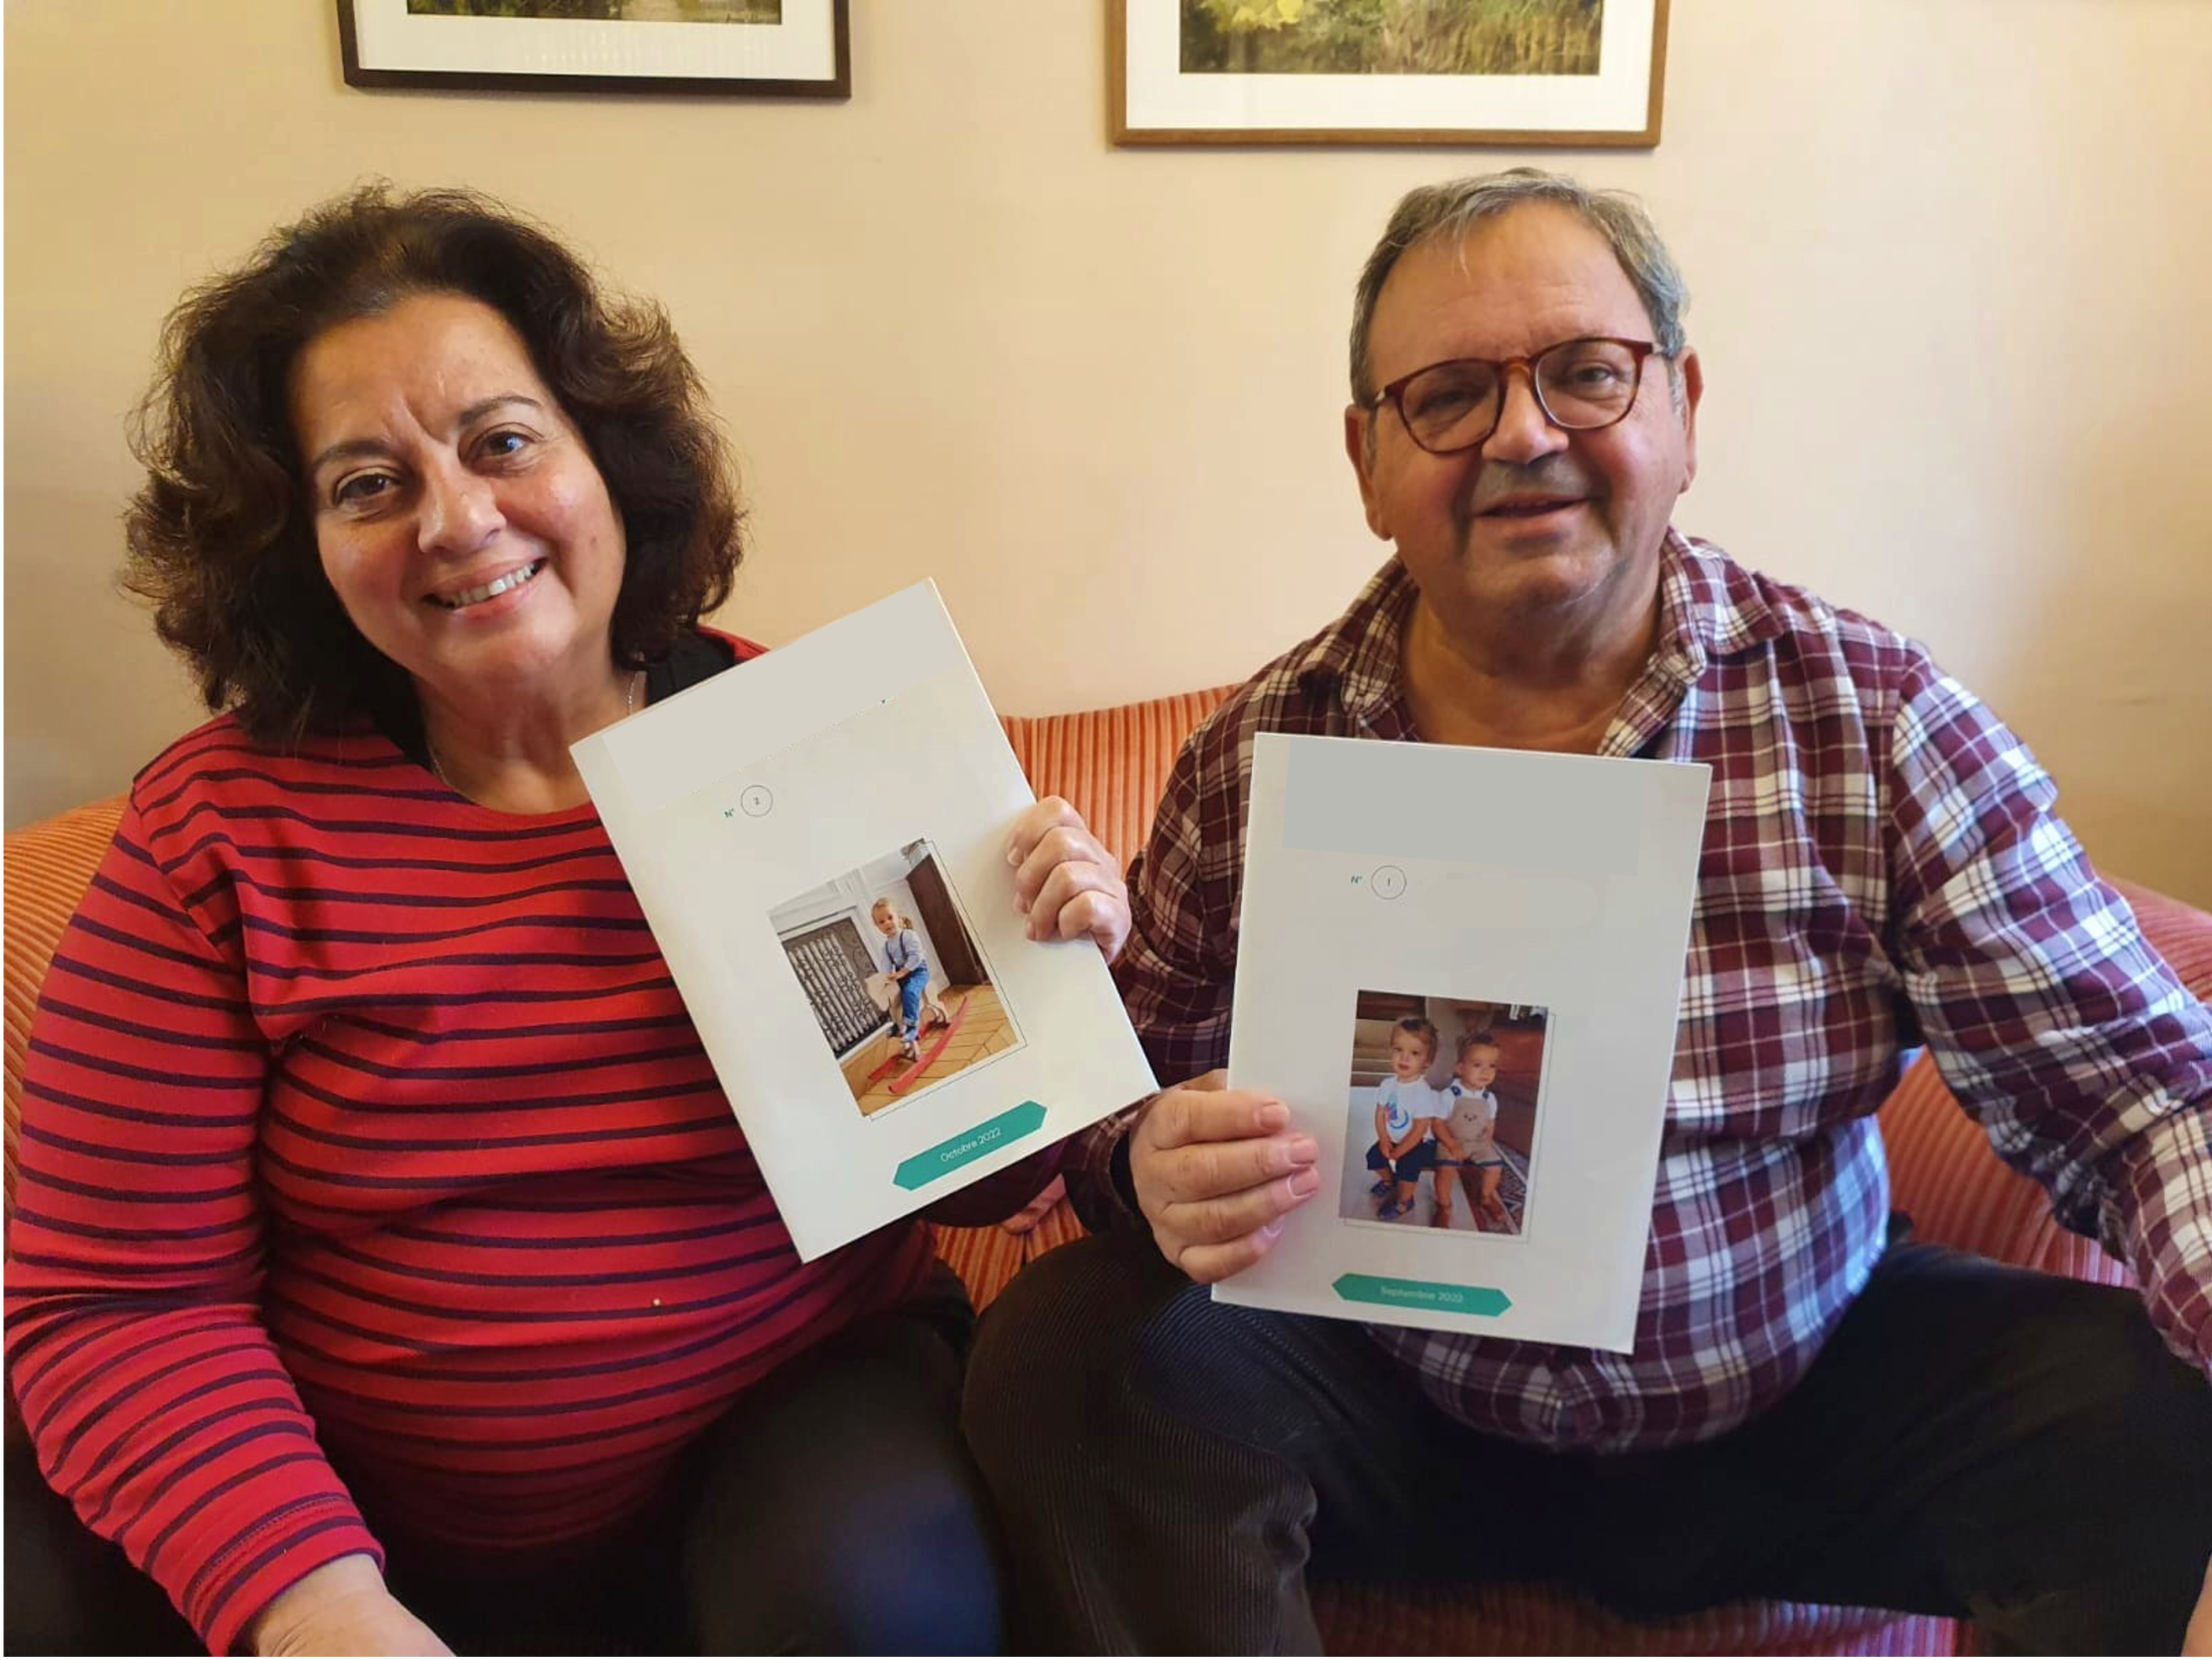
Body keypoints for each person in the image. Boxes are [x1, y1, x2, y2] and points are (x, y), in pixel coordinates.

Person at [962, 168, 2212, 1654]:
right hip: (1395, 1403)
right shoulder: (1263, 754)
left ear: (1678, 407)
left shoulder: (1867, 723)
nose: (1521, 432)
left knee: (2143, 1422)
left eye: (1582, 374)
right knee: (1066, 1356)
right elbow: (1127, 1096)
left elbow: (2140, 1099)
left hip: (1793, 1397)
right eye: (1446, 396)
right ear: (1365, 460)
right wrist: (1149, 1156)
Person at [0, 185, 1132, 1658]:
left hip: (787, 1432)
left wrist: (1042, 990)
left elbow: (977, 1180)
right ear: (305, 550)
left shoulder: (811, 748)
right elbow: (119, 1302)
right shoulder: (221, 834)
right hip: (336, 1503)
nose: (458, 518)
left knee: (875, 1600)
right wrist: (316, 1601)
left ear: (609, 461)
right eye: (366, 483)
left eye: (501, 442)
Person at [1363, 1016, 1446, 1221]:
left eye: (1415, 1053)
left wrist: (1400, 1151)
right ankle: (1389, 1181)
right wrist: (1383, 1140)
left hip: (1419, 1143)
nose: (1404, 1058)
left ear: (1427, 1061)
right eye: (1398, 1050)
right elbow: (1380, 1113)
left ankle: (1405, 1201)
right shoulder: (1387, 1085)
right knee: (1373, 1157)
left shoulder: (1422, 1091)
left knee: (1408, 1167)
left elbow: (1419, 1129)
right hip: (1392, 1138)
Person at [1433, 1032, 1508, 1232]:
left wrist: (1487, 1144)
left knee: (1495, 1167)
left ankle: (1486, 1196)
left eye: (1491, 1066)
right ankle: (1444, 1206)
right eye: (1477, 1065)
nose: (1486, 1071)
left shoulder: (1490, 1098)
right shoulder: (1449, 1095)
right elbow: (1438, 1123)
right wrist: (1451, 1145)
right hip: (1451, 1140)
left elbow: (1490, 1124)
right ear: (1460, 1068)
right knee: (1445, 1170)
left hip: (1477, 1142)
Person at [873, 898, 945, 1062]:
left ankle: (912, 1028)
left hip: (917, 971)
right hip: (901, 975)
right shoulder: (886, 947)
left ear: (898, 917)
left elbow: (916, 956)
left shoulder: (908, 935)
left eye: (890, 917)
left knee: (910, 992)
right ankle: (896, 1025)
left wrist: (904, 971)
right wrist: (885, 979)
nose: (887, 923)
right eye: (881, 922)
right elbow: (886, 966)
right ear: (877, 926)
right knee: (892, 1000)